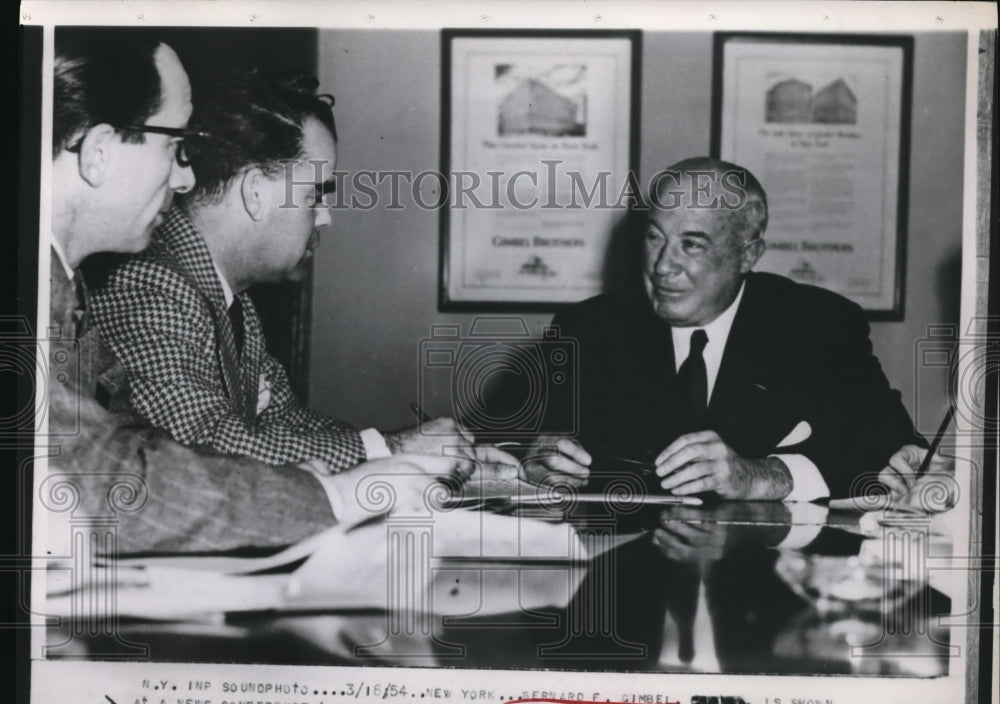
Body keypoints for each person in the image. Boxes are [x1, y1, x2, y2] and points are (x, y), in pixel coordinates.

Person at [47, 29, 466, 554]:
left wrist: (398, 460)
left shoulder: (212, 297)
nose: (184, 179)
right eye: (176, 147)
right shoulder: (143, 283)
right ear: (100, 152)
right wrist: (347, 484)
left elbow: (142, 446)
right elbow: (157, 457)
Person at [89, 69, 487, 474]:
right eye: (314, 195)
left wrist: (420, 458)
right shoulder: (147, 285)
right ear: (255, 193)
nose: (325, 217)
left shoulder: (228, 297)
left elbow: (286, 423)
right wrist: (392, 450)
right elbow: (201, 441)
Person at [524, 157, 922, 501]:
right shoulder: (589, 328)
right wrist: (536, 463)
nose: (663, 265)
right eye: (653, 237)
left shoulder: (818, 324)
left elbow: (896, 452)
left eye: (692, 244)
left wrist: (761, 477)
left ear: (747, 255)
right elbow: (504, 443)